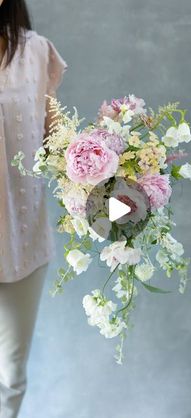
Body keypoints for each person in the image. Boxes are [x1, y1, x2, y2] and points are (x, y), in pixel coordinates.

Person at [0, 1, 67, 416]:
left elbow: (56, 139)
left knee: (11, 375)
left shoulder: (36, 51)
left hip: (22, 238)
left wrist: (116, 182)